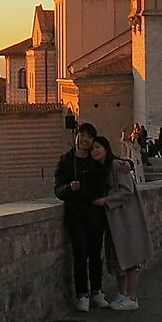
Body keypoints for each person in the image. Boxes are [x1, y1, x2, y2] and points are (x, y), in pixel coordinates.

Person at [53, 124, 112, 311]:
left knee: (96, 255)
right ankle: (82, 295)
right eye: (82, 135)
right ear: (76, 137)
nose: (85, 139)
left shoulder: (96, 158)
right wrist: (70, 188)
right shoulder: (66, 161)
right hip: (76, 215)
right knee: (80, 256)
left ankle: (96, 292)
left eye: (89, 136)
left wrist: (129, 164)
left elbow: (113, 160)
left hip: (95, 215)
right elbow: (58, 190)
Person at [95, 137, 147, 311]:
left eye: (98, 147)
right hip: (113, 220)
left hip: (125, 218)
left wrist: (106, 201)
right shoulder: (102, 168)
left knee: (130, 258)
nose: (95, 151)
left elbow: (127, 190)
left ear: (106, 148)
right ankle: (122, 294)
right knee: (118, 259)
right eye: (92, 149)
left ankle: (132, 297)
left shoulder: (117, 165)